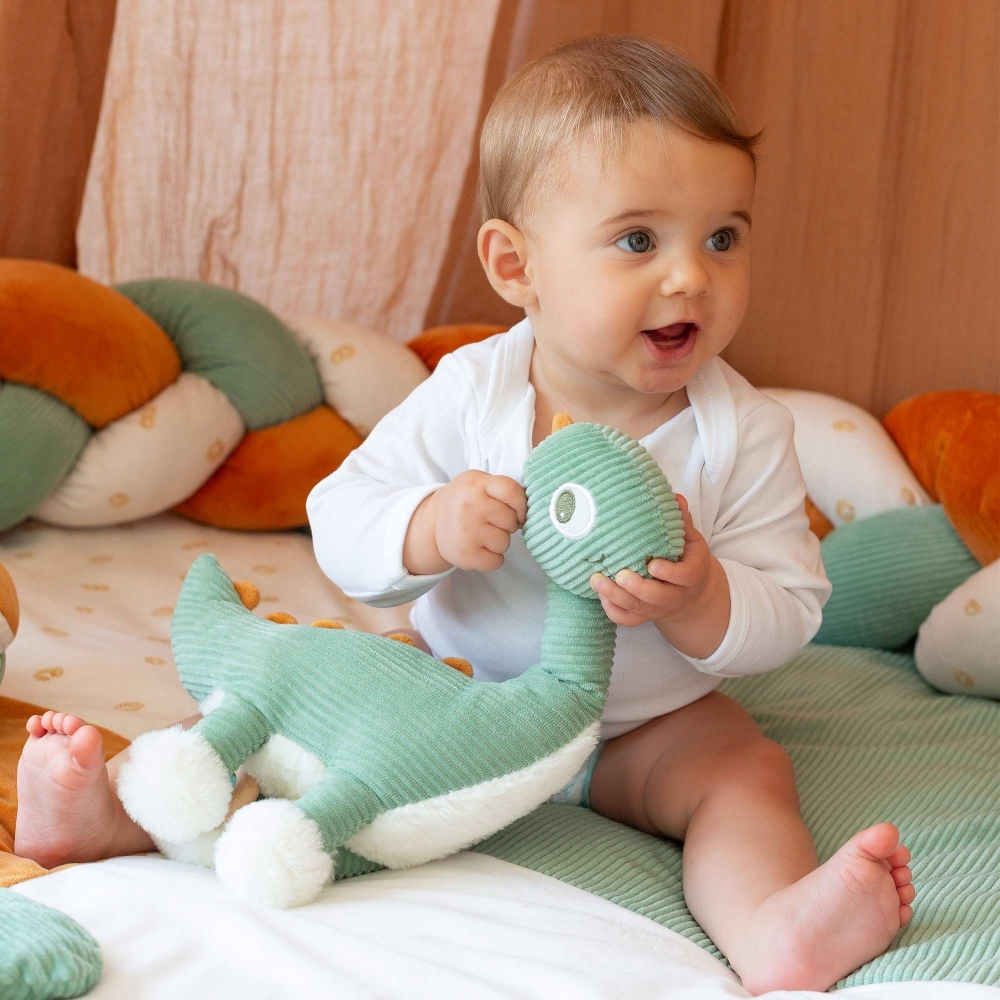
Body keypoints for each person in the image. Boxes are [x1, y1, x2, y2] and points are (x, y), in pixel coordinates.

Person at [15, 35, 913, 995]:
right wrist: (428, 527)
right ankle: (116, 813)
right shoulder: (471, 391)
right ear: (515, 264)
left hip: (642, 730)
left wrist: (705, 600)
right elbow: (341, 517)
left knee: (747, 773)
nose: (691, 276)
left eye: (723, 237)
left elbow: (792, 609)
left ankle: (772, 926)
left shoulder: (746, 431)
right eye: (639, 241)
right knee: (289, 712)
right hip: (447, 693)